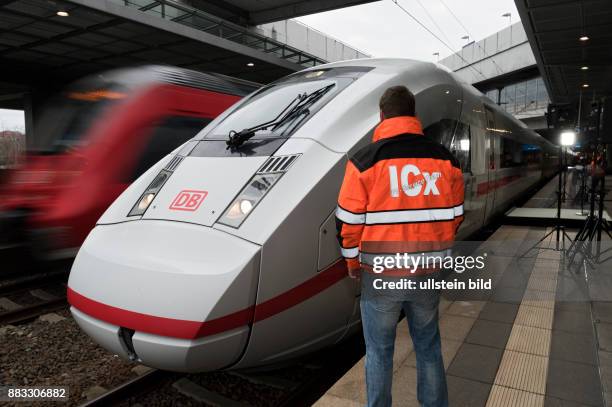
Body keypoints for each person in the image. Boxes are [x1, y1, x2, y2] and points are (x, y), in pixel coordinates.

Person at [335, 85, 464, 407]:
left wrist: (353, 265)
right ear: (414, 115)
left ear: (382, 116)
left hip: (380, 274)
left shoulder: (363, 161)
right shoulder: (445, 160)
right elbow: (456, 217)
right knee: (428, 347)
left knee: (379, 352)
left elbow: (349, 225)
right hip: (428, 271)